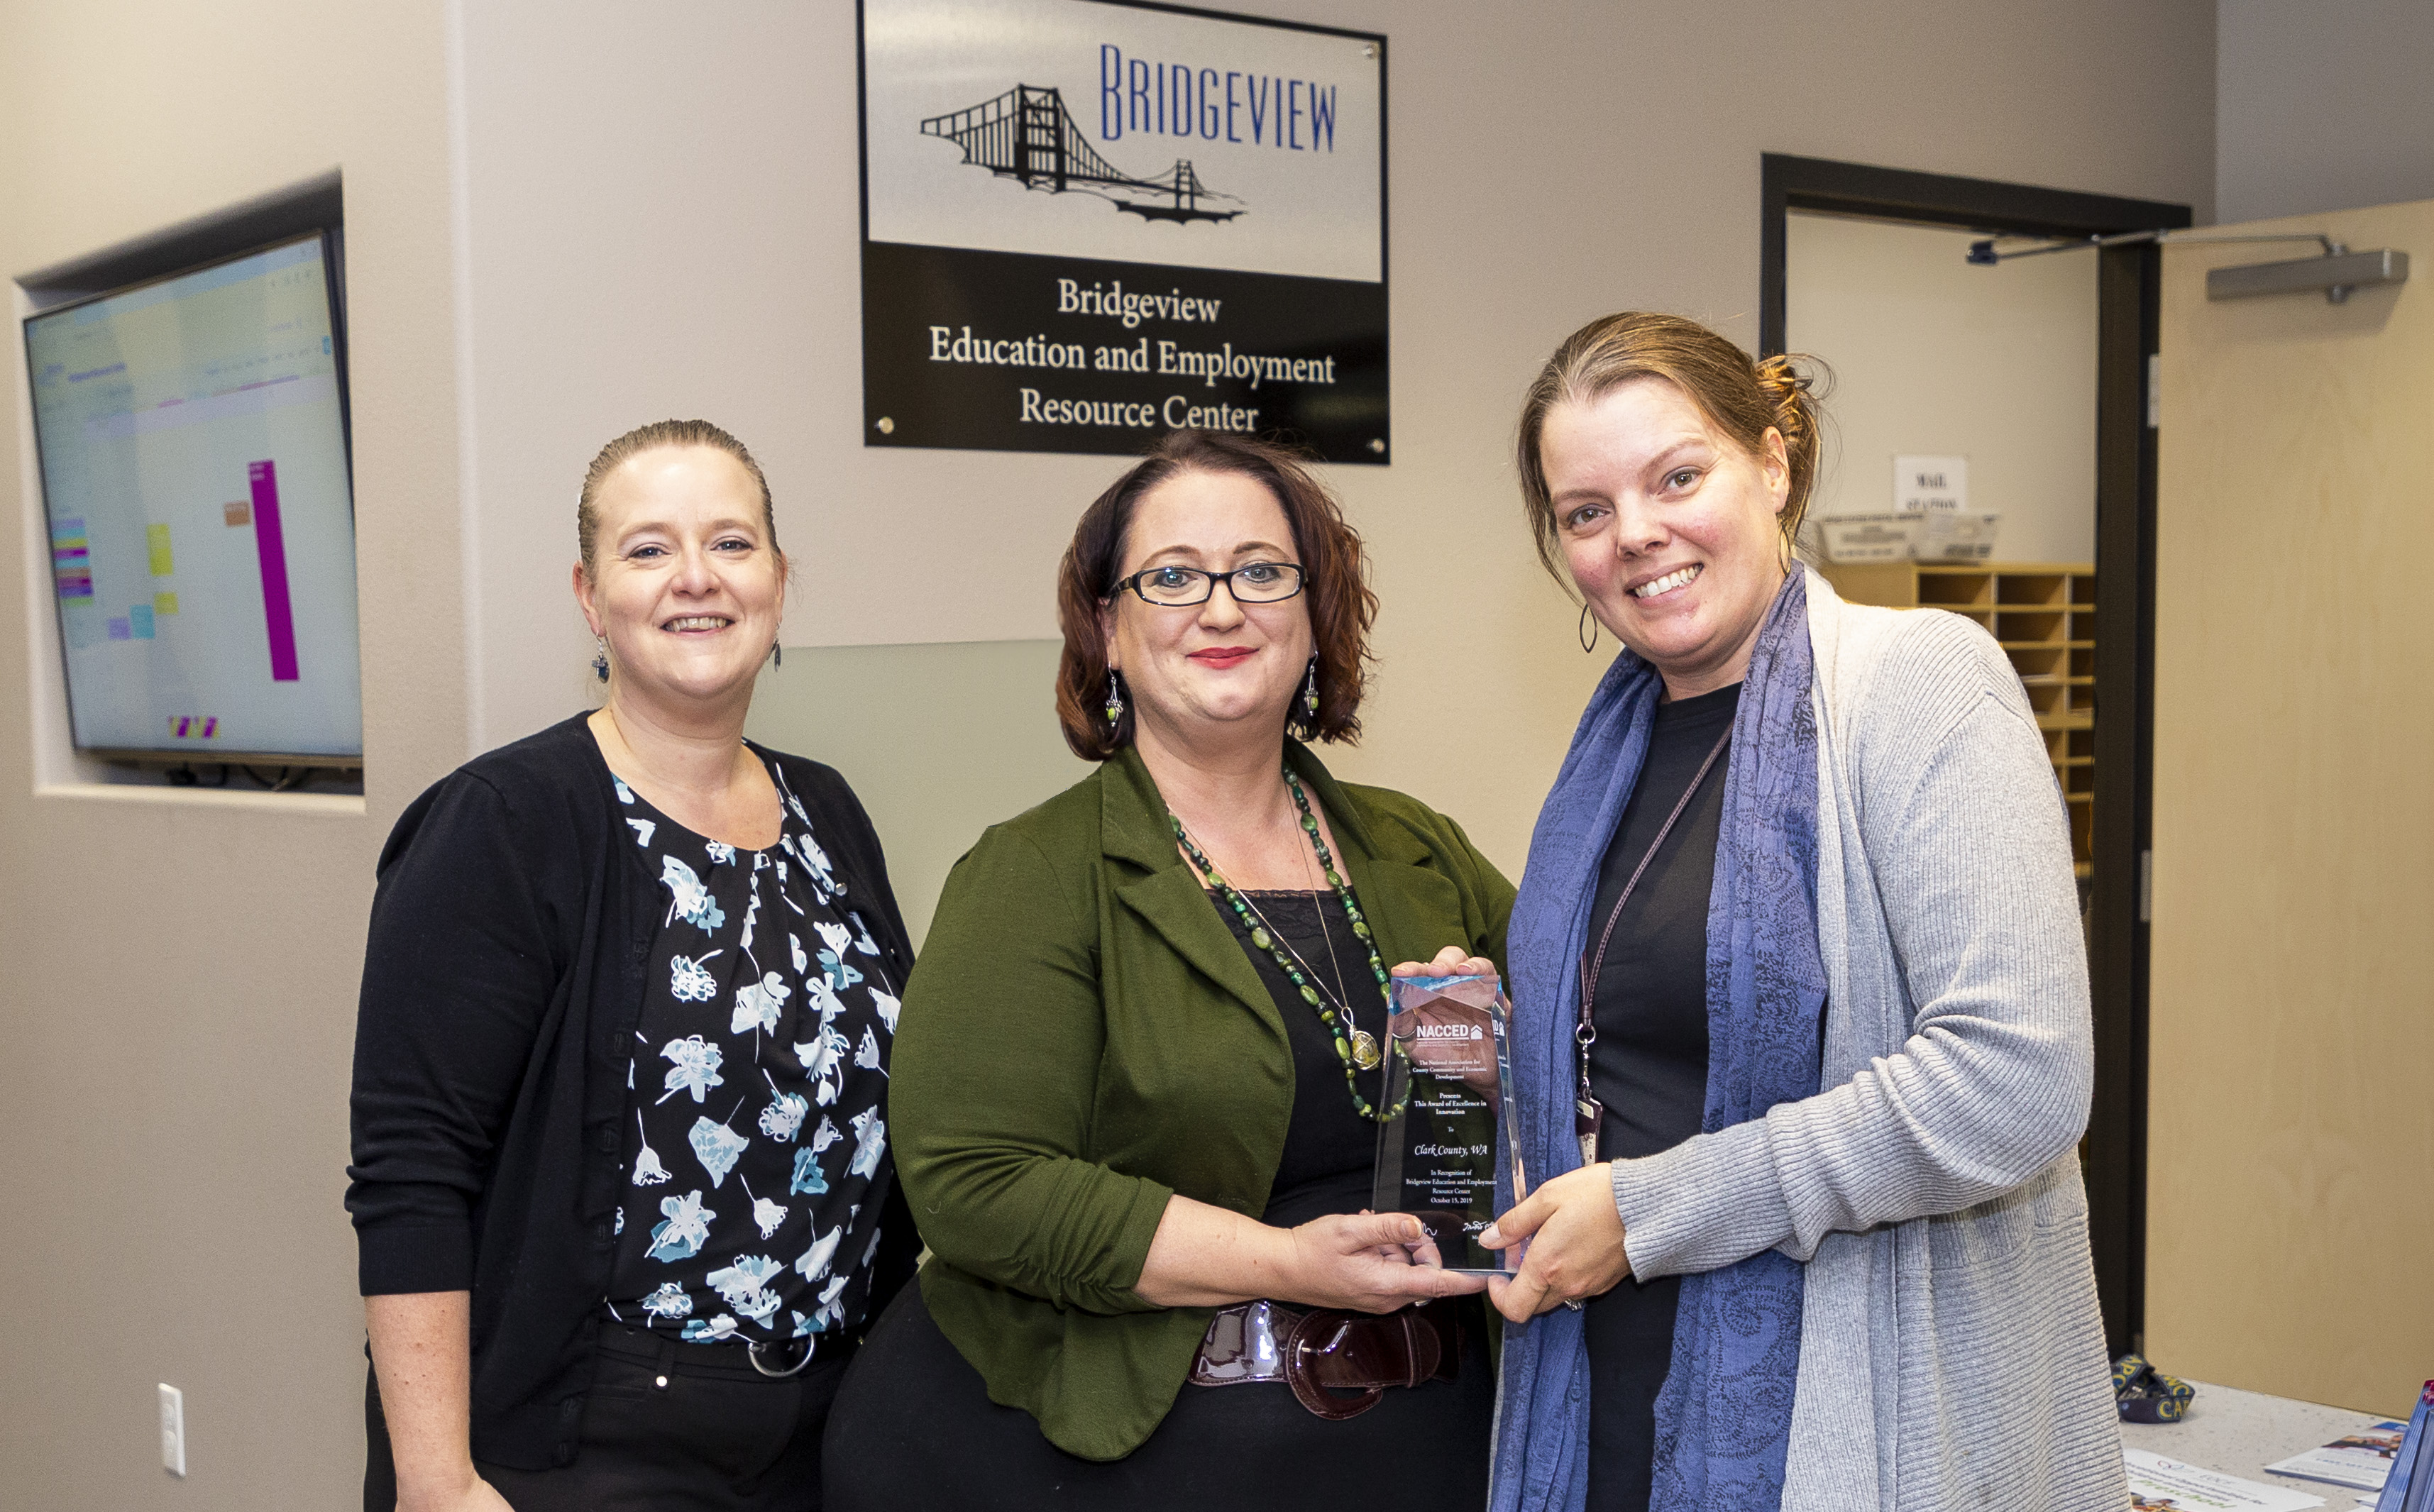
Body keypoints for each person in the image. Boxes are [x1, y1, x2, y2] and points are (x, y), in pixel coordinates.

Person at [1481, 314, 2123, 1512]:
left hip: (1849, 1422)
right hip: (1614, 1397)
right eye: (1584, 510)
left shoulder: (1920, 683)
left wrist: (1654, 1208)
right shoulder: (1611, 749)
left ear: (1772, 464)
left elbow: (2016, 1080)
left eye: (1678, 477)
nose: (1636, 535)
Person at [823, 431, 1514, 1511]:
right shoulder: (1035, 874)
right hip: (1108, 1460)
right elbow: (974, 1183)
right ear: (1106, 627)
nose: (1223, 607)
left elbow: (1592, 1069)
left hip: (1420, 1449)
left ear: (1313, 612)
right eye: (1173, 576)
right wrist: (1284, 1263)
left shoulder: (1420, 853)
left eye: (1261, 571)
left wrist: (1498, 1062)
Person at [346, 419, 918, 1511]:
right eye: (648, 549)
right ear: (588, 594)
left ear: (781, 582)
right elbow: (411, 1171)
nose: (695, 579)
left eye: (732, 544)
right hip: (585, 1442)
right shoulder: (504, 822)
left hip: (823, 1429)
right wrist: (435, 1483)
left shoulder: (826, 810)